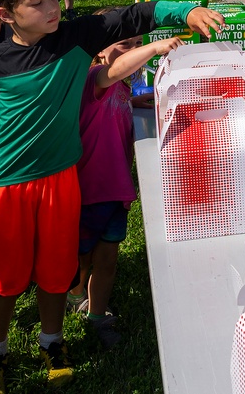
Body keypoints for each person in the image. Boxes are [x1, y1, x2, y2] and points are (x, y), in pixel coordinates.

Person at [0, 0, 223, 393]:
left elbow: (133, 15)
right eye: (37, 3)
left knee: (57, 271)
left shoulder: (75, 38)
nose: (52, 8)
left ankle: (52, 342)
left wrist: (185, 12)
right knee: (1, 278)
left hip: (61, 182)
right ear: (5, 15)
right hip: (9, 187)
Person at [66, 23, 185, 348]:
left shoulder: (122, 87)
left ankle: (97, 314)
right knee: (82, 256)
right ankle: (76, 295)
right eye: (123, 45)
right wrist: (154, 49)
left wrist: (139, 101)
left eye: (136, 44)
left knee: (108, 257)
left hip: (117, 193)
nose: (131, 51)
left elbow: (117, 97)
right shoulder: (94, 78)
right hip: (88, 192)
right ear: (101, 51)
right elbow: (113, 72)